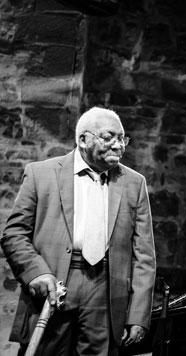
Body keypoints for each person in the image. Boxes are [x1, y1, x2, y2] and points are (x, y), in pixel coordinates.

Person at [1, 107, 156, 356]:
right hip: (55, 281)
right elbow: (14, 234)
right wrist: (35, 273)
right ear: (83, 139)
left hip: (106, 288)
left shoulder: (134, 183)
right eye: (109, 138)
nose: (118, 146)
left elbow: (144, 254)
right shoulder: (41, 174)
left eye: (122, 139)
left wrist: (138, 314)